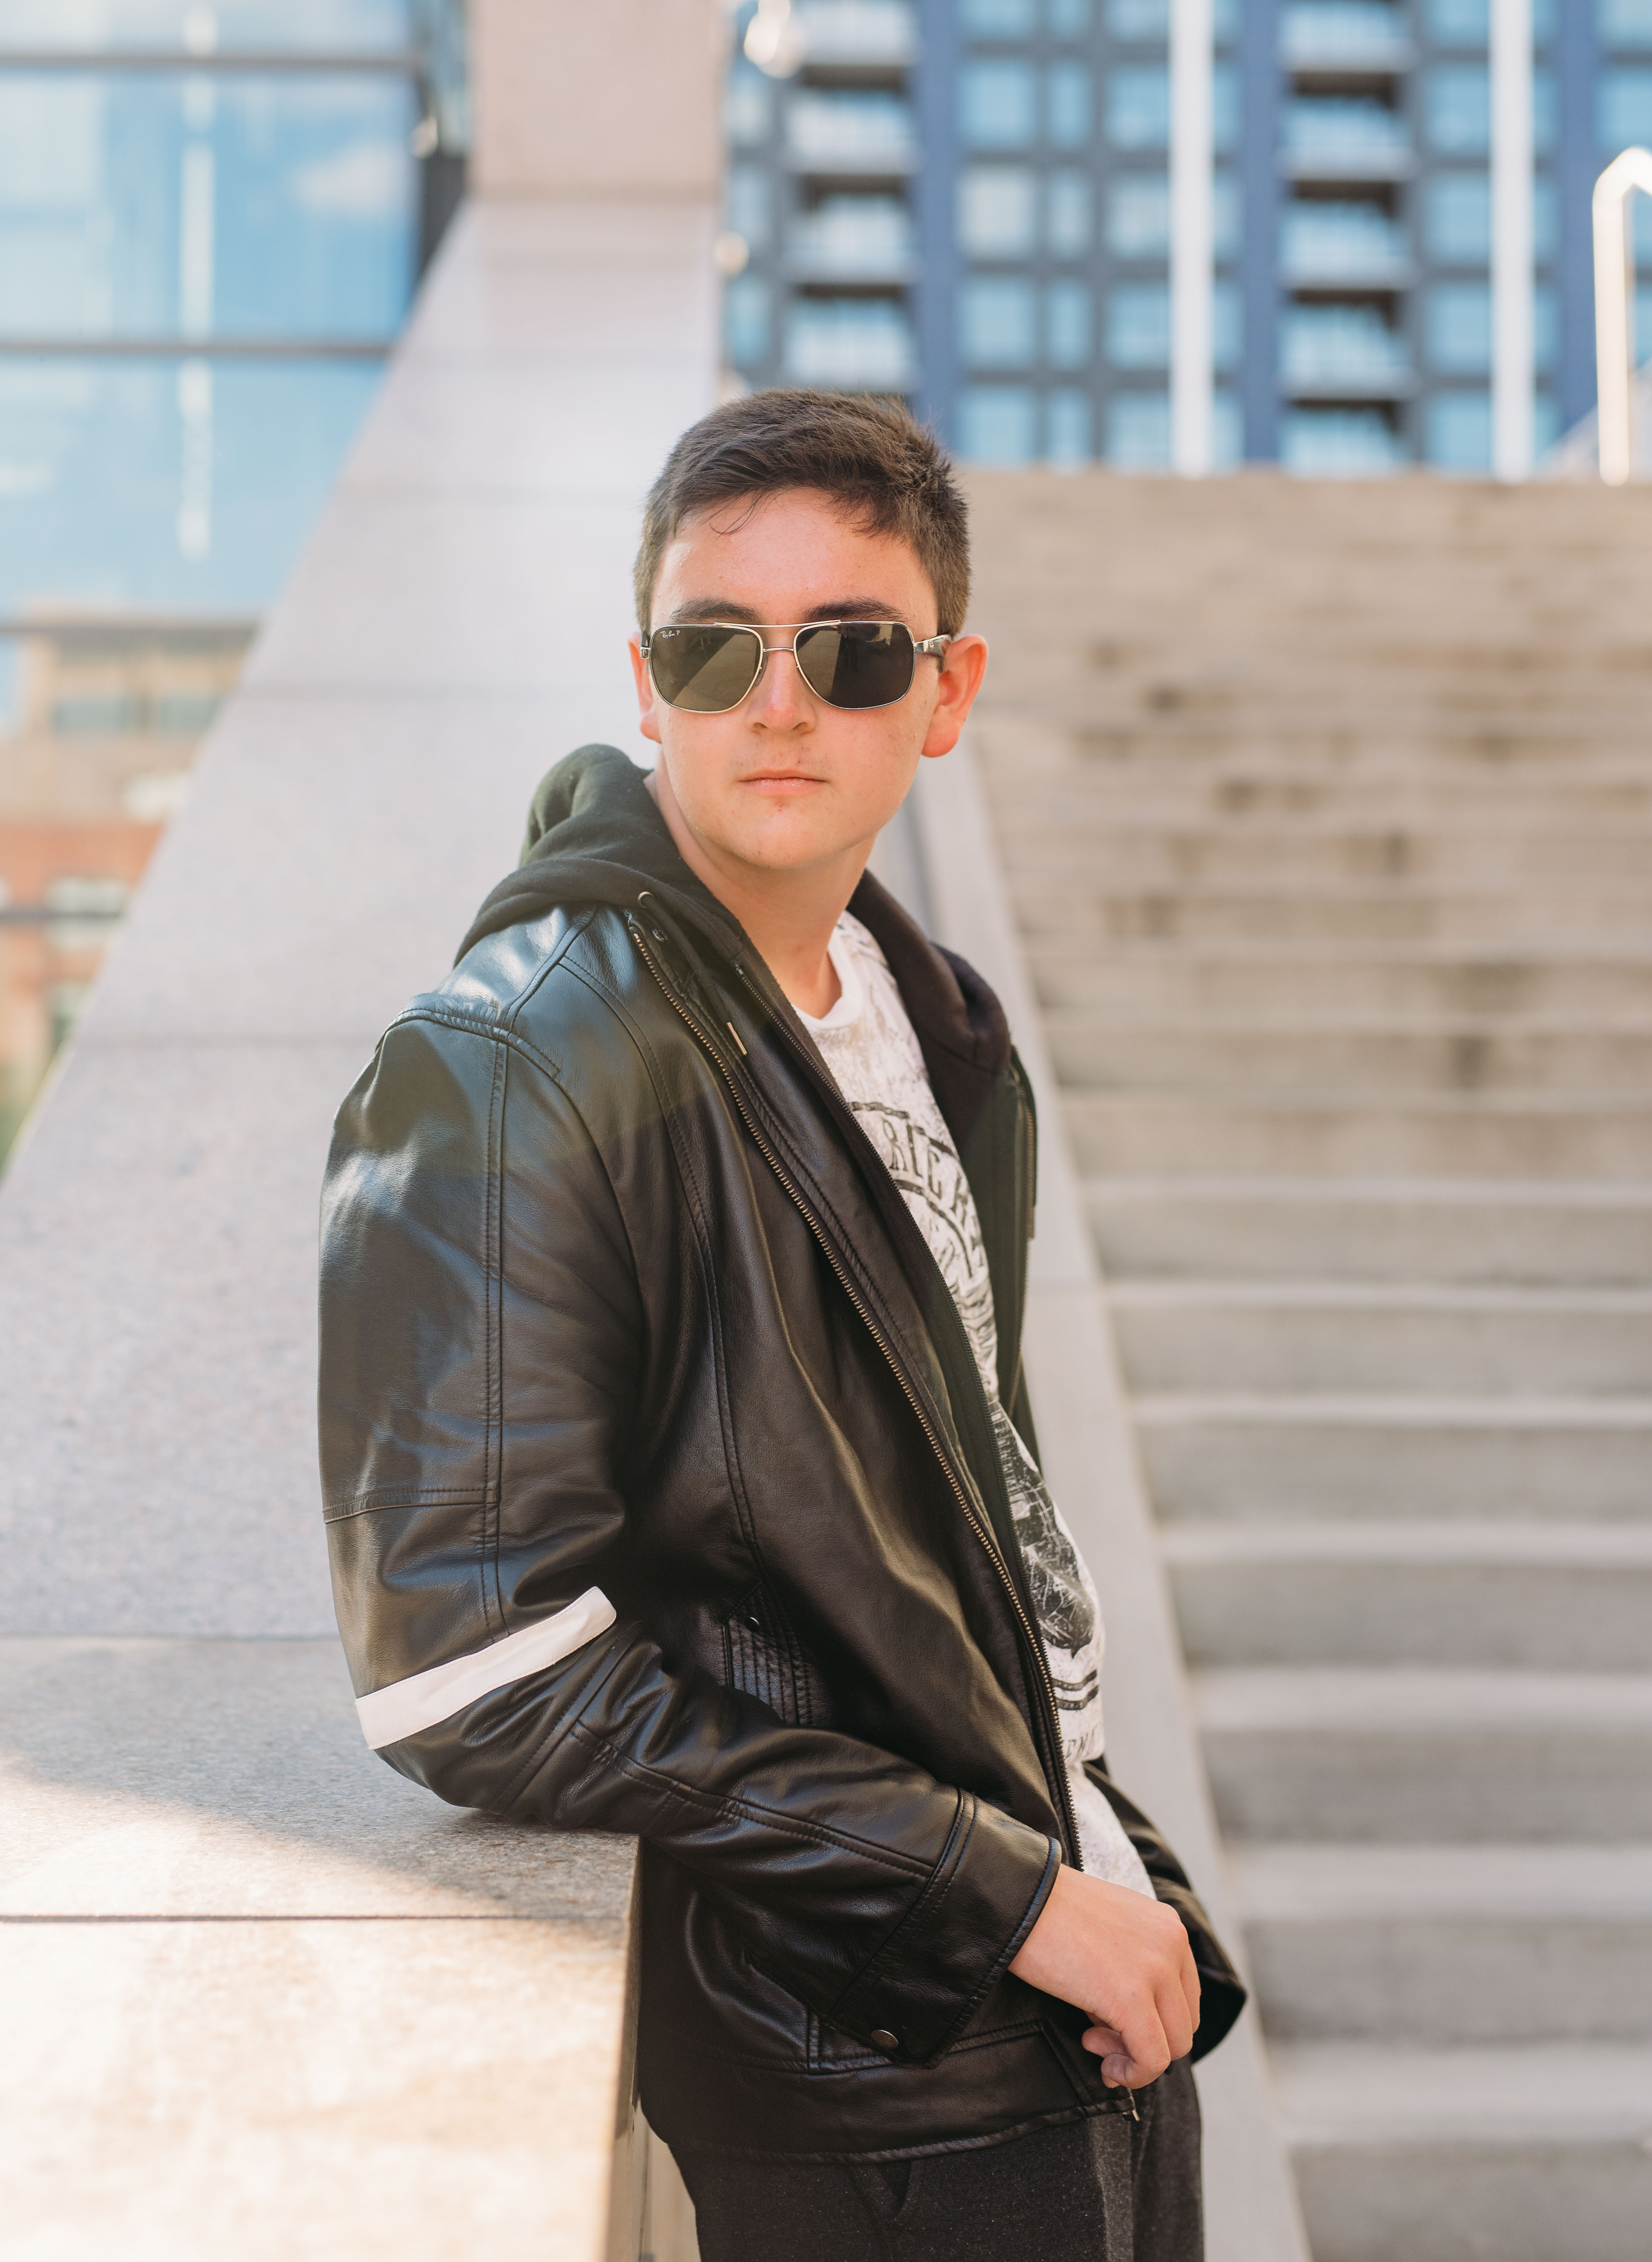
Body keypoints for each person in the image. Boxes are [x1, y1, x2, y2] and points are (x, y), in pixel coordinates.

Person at [319, 391, 1243, 2261]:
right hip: (863, 2079)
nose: (778, 695)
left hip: (1064, 1999)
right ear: (644, 677)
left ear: (946, 687)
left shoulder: (937, 1022)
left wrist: (1094, 1858)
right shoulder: (511, 1065)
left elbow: (938, 1518)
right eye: (712, 642)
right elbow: (465, 1666)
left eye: (849, 646)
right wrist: (990, 1891)